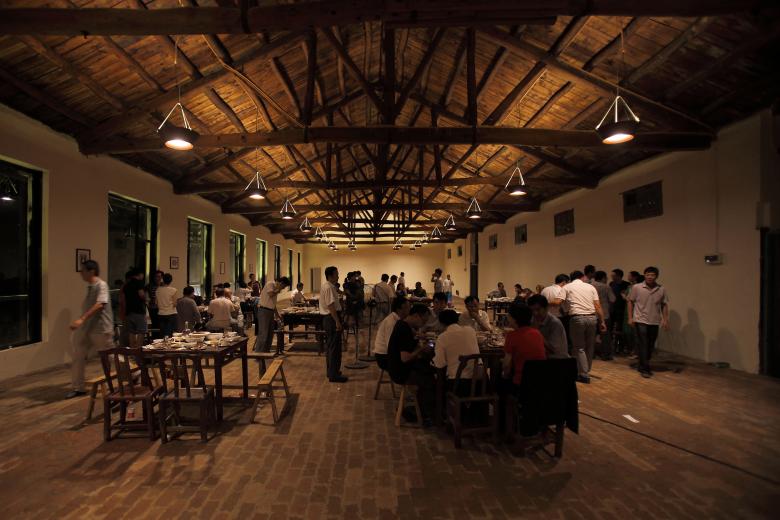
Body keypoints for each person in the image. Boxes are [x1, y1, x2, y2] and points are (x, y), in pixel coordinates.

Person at [67, 260, 114, 399]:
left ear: (91, 271)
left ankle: (134, 373)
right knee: (78, 356)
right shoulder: (91, 287)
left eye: (83, 270)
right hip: (88, 329)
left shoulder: (101, 285)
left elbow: (100, 304)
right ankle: (78, 387)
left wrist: (82, 319)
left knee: (111, 356)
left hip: (101, 328)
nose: (81, 273)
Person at [387, 303, 434, 425]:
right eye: (423, 321)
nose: (423, 325)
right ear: (416, 316)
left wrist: (418, 338)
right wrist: (421, 349)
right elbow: (405, 358)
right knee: (432, 378)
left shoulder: (402, 324)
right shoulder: (404, 329)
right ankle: (425, 413)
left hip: (396, 368)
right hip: (400, 372)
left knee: (428, 369)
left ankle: (422, 410)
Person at [564, 271, 607, 384]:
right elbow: (597, 306)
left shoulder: (567, 287)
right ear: (582, 277)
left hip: (577, 318)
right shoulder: (591, 287)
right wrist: (602, 321)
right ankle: (584, 370)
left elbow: (562, 303)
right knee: (590, 346)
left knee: (579, 347)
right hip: (592, 318)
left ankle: (583, 374)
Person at [628, 266, 670, 378]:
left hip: (654, 320)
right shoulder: (637, 287)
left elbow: (664, 305)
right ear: (644, 275)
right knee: (643, 343)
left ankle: (642, 364)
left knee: (650, 344)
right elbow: (630, 301)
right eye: (648, 275)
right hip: (640, 319)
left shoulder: (661, 289)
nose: (650, 277)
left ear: (656, 276)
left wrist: (665, 319)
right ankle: (645, 368)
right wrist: (630, 317)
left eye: (652, 275)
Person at [501, 303, 546, 390]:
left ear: (514, 319)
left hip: (521, 383)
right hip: (540, 380)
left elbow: (506, 366)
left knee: (499, 377)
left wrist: (504, 375)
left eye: (509, 315)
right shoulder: (537, 333)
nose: (507, 317)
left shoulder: (512, 336)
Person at [433, 309, 480, 381]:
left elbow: (440, 364)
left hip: (457, 382)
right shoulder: (470, 330)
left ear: (441, 323)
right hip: (479, 380)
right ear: (458, 320)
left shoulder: (442, 337)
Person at [320, 266, 347, 383]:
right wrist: (337, 321)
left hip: (330, 318)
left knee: (332, 346)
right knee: (334, 348)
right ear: (330, 276)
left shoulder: (329, 286)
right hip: (331, 319)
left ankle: (332, 371)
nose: (338, 276)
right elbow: (330, 305)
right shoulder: (328, 287)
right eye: (336, 274)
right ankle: (333, 375)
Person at [254, 276, 290, 353]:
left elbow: (273, 304)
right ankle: (259, 353)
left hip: (270, 311)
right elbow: (271, 294)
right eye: (283, 286)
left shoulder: (275, 288)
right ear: (281, 283)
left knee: (270, 334)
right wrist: (278, 290)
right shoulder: (270, 284)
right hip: (263, 310)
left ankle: (266, 352)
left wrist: (277, 315)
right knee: (263, 334)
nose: (283, 289)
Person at [527, 294, 569, 359]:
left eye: (538, 309)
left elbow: (553, 349)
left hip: (557, 360)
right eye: (532, 310)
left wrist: (536, 333)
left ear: (546, 308)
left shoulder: (554, 323)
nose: (535, 313)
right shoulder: (532, 320)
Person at [373, 296, 410, 370]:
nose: (409, 309)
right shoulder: (391, 322)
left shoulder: (399, 320)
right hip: (384, 357)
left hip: (388, 354)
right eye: (408, 307)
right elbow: (390, 346)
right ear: (400, 309)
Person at [592, 271, 616, 360]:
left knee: (591, 335)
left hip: (592, 314)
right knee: (605, 336)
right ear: (603, 278)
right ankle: (605, 355)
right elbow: (613, 299)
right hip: (604, 314)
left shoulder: (589, 285)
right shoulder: (606, 287)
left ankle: (591, 354)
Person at [122, 267, 147, 345]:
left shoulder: (126, 285)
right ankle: (138, 350)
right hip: (138, 311)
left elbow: (123, 299)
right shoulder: (139, 283)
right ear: (140, 274)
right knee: (141, 331)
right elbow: (141, 294)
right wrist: (146, 299)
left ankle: (132, 350)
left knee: (131, 332)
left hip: (129, 312)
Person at [609, 269, 630, 352]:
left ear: (618, 276)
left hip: (622, 309)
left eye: (613, 276)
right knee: (611, 328)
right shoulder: (611, 284)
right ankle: (612, 346)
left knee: (620, 328)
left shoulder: (626, 285)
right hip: (612, 309)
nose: (612, 277)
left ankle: (620, 346)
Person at [156, 273, 178, 338]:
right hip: (171, 313)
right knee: (170, 334)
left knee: (162, 333)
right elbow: (175, 304)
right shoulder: (173, 290)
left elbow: (156, 303)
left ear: (163, 279)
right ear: (171, 281)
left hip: (161, 313)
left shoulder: (158, 290)